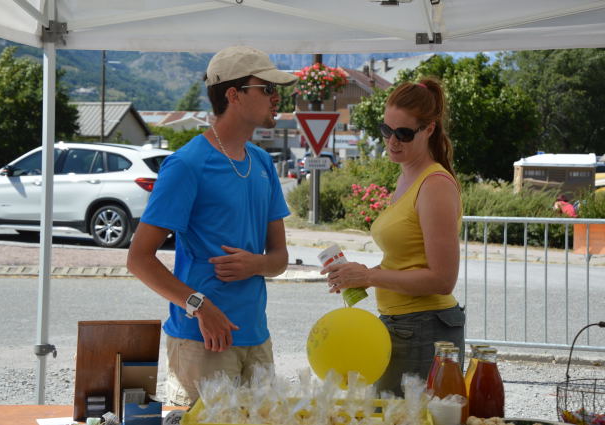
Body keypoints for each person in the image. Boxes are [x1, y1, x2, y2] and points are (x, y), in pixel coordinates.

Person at [127, 45, 296, 406]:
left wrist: (257, 264)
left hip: (256, 338)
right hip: (202, 342)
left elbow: (280, 258)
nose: (275, 97)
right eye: (266, 88)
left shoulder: (263, 162)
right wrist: (199, 305)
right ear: (234, 95)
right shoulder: (187, 164)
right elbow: (139, 259)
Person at [321, 78, 465, 396]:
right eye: (386, 130)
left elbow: (442, 280)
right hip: (406, 325)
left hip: (424, 326)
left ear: (429, 129)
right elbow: (407, 259)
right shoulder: (408, 175)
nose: (392, 141)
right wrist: (363, 274)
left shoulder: (434, 184)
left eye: (403, 134)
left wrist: (370, 276)